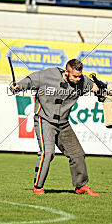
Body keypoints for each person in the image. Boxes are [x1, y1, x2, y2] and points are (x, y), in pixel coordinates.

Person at [10, 59, 100, 196]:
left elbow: (97, 88)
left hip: (63, 123)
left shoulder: (83, 81)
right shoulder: (47, 75)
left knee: (78, 154)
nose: (78, 79)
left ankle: (81, 186)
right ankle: (38, 187)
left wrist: (100, 90)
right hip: (44, 119)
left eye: (79, 76)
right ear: (66, 72)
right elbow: (29, 81)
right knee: (48, 152)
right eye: (75, 76)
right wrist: (17, 87)